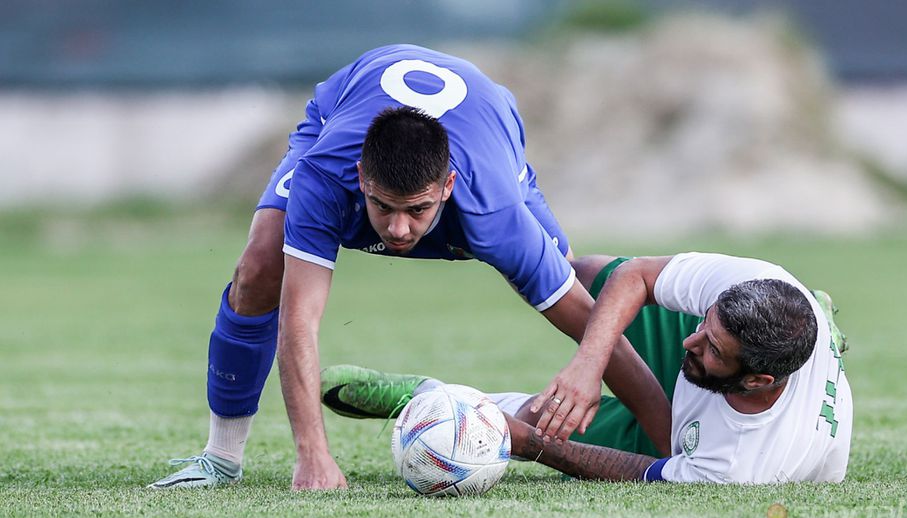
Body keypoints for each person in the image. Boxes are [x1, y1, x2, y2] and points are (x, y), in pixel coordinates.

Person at [150, 44, 670, 490]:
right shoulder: (327, 178)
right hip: (349, 102)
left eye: (417, 210)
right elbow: (298, 322)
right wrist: (314, 456)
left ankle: (666, 420)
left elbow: (594, 332)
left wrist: (672, 451)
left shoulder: (492, 212)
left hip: (489, 121)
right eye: (383, 208)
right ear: (360, 180)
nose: (398, 230)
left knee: (570, 283)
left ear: (446, 188)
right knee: (262, 263)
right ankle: (221, 457)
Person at [322, 252, 852, 483]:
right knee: (586, 275)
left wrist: (533, 446)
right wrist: (588, 365)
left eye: (712, 347)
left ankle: (430, 398)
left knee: (541, 422)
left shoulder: (738, 467)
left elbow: (640, 475)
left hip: (692, 444)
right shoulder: (756, 281)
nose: (691, 340)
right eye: (704, 325)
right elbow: (637, 277)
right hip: (732, 373)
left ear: (760, 379)